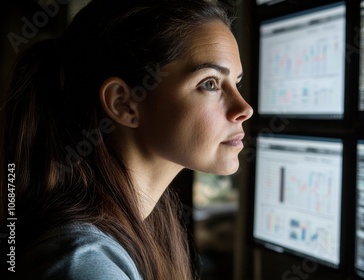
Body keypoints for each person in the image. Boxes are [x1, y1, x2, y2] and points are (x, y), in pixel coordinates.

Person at [0, 0, 253, 279]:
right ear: (124, 104)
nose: (244, 109)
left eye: (237, 83)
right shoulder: (85, 265)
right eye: (210, 83)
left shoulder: (136, 224)